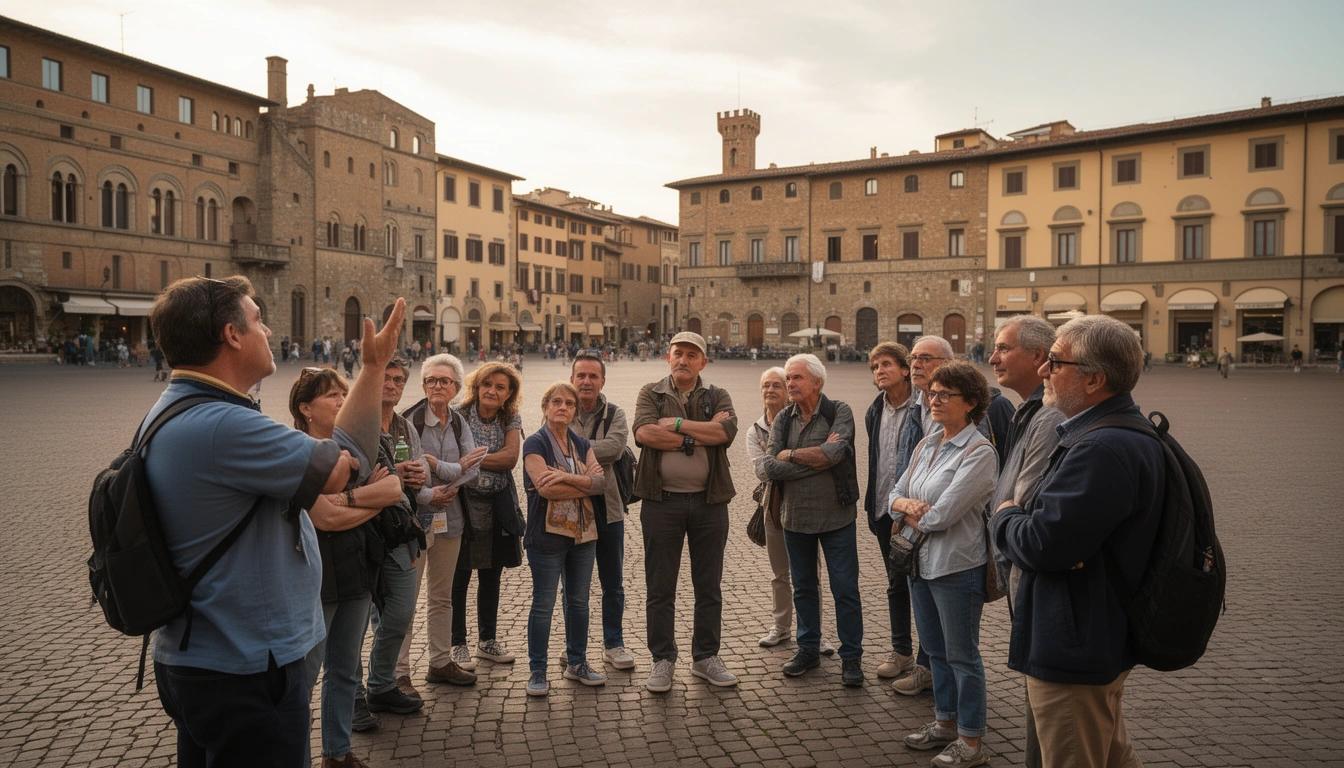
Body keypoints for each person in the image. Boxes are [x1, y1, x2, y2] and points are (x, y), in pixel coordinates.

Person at [142, 276, 398, 766]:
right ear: (232, 335)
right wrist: (372, 367)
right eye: (258, 318)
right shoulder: (225, 424)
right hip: (244, 671)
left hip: (200, 658)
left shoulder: (174, 409)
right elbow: (347, 464)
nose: (267, 328)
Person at [992, 315, 1164, 768]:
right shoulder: (1113, 433)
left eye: (1055, 362)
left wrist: (1005, 515)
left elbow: (1042, 543)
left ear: (1094, 379)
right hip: (1095, 634)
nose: (1045, 372)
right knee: (1110, 755)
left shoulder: (1102, 448)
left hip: (1075, 641)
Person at [291, 368, 403, 768]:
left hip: (355, 566)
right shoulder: (296, 452)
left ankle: (337, 754)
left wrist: (345, 499)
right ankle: (296, 756)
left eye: (343, 393)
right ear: (305, 408)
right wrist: (364, 498)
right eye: (331, 396)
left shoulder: (353, 448)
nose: (342, 401)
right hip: (314, 576)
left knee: (345, 670)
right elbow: (324, 520)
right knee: (304, 677)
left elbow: (393, 490)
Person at [892, 360, 998, 768]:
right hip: (919, 563)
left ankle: (971, 742)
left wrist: (913, 510)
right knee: (935, 652)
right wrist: (906, 505)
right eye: (930, 393)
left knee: (962, 657)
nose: (933, 400)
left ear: (970, 402)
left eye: (944, 394)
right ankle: (944, 722)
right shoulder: (927, 442)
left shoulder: (979, 451)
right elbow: (893, 494)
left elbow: (943, 515)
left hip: (957, 567)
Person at [631, 330, 739, 692]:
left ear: (703, 362)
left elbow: (725, 432)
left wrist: (677, 426)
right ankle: (663, 659)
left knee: (708, 587)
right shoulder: (652, 392)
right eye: (678, 353)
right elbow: (645, 434)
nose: (684, 360)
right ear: (667, 356)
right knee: (660, 588)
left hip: (710, 504)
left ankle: (705, 656)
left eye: (692, 355)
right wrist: (700, 434)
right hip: (661, 503)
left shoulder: (717, 395)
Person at [986, 315, 1066, 768]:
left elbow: (1023, 499)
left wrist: (1002, 515)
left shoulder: (1049, 413)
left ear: (1039, 357)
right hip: (1020, 569)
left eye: (1003, 348)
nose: (992, 358)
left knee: (1052, 709)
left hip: (1032, 574)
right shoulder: (1028, 410)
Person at [760, 354, 864, 687]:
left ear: (817, 382)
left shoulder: (840, 411)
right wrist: (815, 458)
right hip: (795, 518)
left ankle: (851, 658)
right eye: (788, 378)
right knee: (804, 588)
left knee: (845, 589)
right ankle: (807, 649)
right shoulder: (782, 420)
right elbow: (769, 466)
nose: (790, 384)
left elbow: (834, 455)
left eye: (796, 378)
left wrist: (789, 455)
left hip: (837, 517)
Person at [398, 354, 488, 687]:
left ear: (456, 387)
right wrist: (432, 491)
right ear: (423, 386)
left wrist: (441, 471)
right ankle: (398, 671)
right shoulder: (409, 421)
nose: (437, 386)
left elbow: (475, 467)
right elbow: (408, 474)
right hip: (415, 522)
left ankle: (439, 662)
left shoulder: (460, 422)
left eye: (445, 381)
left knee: (441, 596)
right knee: (405, 598)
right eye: (431, 380)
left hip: (451, 520)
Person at [521, 380, 609, 695]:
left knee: (579, 602)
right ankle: (537, 671)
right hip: (546, 537)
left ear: (574, 411)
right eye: (556, 401)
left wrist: (567, 476)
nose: (563, 407)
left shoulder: (581, 443)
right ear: (545, 407)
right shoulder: (534, 443)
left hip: (583, 536)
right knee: (543, 604)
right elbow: (546, 488)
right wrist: (582, 481)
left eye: (569, 404)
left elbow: (601, 484)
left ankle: (577, 662)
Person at [358, 357, 431, 728]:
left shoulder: (403, 424)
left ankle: (381, 682)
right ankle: (360, 694)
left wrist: (415, 473)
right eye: (385, 378)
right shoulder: (356, 421)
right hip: (360, 532)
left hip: (399, 527)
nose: (392, 385)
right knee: (355, 623)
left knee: (400, 612)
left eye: (399, 380)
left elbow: (415, 466)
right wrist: (393, 478)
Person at [862, 341, 928, 687]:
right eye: (875, 367)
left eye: (886, 364)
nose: (879, 371)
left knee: (924, 586)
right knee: (895, 584)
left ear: (905, 370)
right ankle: (901, 651)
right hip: (883, 510)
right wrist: (874, 507)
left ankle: (927, 661)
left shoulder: (923, 407)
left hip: (914, 513)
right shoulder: (876, 408)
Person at [451, 361, 525, 671]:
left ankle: (487, 640)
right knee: (460, 575)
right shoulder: (458, 415)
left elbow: (510, 458)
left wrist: (470, 461)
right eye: (488, 385)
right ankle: (457, 644)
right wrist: (466, 463)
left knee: (491, 574)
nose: (492, 391)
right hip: (463, 503)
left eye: (500, 387)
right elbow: (450, 459)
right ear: (477, 386)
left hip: (497, 503)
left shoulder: (510, 417)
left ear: (509, 394)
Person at [570, 353, 636, 670]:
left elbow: (615, 448)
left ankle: (614, 644)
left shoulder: (616, 414)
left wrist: (568, 447)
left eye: (592, 376)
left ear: (602, 381)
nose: (586, 381)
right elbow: (547, 448)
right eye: (581, 375)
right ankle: (574, 649)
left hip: (609, 511)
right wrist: (592, 448)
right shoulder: (560, 408)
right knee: (574, 588)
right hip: (570, 512)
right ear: (572, 379)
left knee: (613, 584)